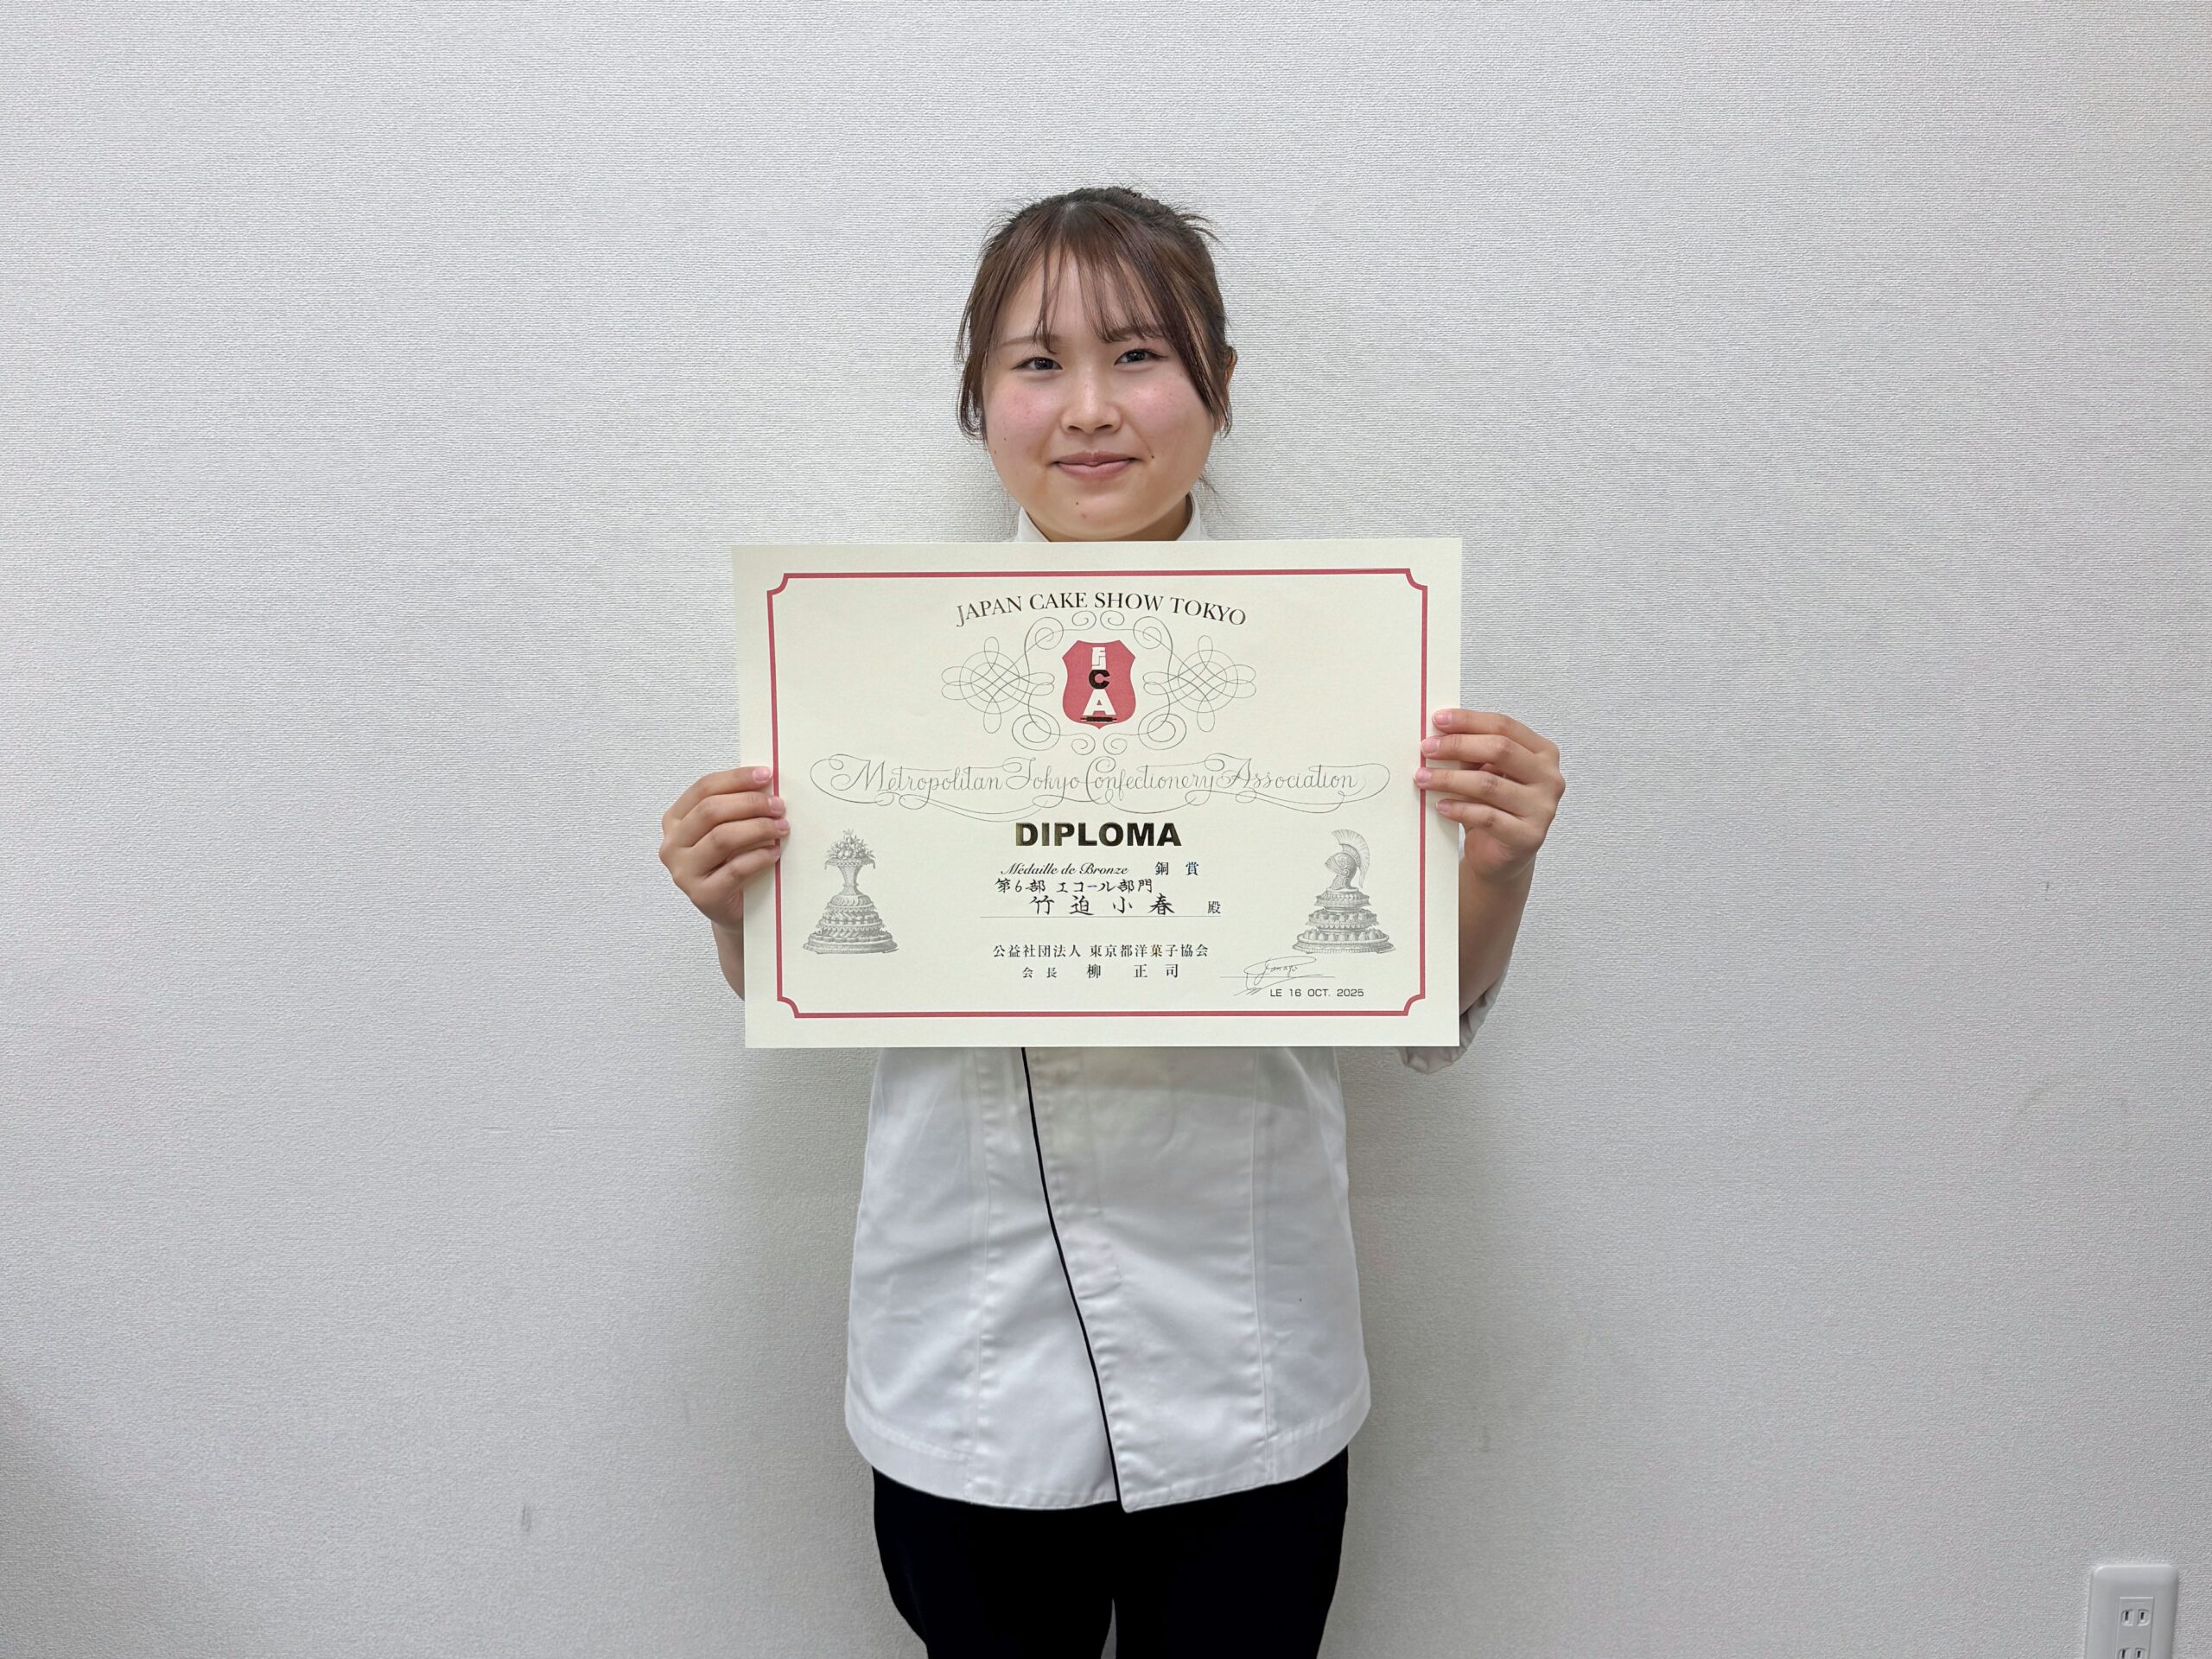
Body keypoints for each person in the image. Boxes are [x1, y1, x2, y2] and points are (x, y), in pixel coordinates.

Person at [658, 187, 1565, 1657]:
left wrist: (1500, 866)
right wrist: (732, 902)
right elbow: (823, 971)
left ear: (1219, 386)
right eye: (1037, 363)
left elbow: (1422, 1008)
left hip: (1248, 1356)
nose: (1089, 407)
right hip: (972, 1355)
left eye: (1139, 354)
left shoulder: (1341, 664)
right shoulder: (867, 671)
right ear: (979, 401)